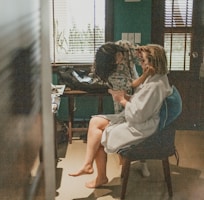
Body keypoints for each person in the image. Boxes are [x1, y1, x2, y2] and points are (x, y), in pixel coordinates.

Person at [69, 44, 172, 188]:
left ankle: (100, 176)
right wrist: (127, 97)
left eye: (143, 61)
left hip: (140, 126)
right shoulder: (153, 78)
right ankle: (88, 166)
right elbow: (141, 99)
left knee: (97, 135)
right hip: (136, 115)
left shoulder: (155, 85)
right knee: (95, 122)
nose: (141, 64)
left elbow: (138, 115)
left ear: (153, 61)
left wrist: (123, 100)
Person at [92, 41, 151, 176]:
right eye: (115, 61)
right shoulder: (110, 68)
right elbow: (102, 80)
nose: (118, 61)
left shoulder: (127, 47)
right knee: (122, 128)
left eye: (118, 57)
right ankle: (123, 161)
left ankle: (143, 162)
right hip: (120, 95)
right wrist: (111, 91)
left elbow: (144, 58)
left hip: (137, 89)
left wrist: (145, 74)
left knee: (139, 126)